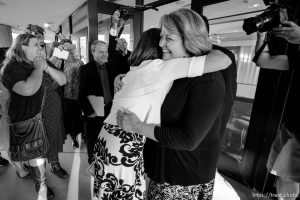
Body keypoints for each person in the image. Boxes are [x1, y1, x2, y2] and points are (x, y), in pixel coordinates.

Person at [93, 9, 231, 200]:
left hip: (183, 178)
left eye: (168, 38)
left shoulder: (206, 79)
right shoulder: (169, 69)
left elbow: (188, 139)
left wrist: (138, 126)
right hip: (156, 167)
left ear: (189, 38)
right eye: (160, 37)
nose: (160, 44)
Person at [1, 33, 54, 199]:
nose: (40, 48)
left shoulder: (29, 64)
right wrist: (39, 67)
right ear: (22, 47)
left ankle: (40, 186)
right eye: (36, 44)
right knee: (34, 159)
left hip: (34, 118)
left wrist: (44, 66)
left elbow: (54, 83)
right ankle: (41, 190)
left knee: (36, 158)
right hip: (21, 122)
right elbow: (28, 89)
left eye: (41, 45)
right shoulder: (11, 66)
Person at [255, 20, 300, 200]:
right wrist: (261, 36)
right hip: (290, 126)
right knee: (281, 178)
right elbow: (263, 61)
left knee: (288, 181)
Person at [78, 40, 114, 165]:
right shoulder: (85, 69)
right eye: (100, 52)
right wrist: (89, 112)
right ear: (93, 52)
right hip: (94, 110)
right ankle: (93, 162)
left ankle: (105, 159)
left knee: (107, 136)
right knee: (93, 138)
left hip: (110, 108)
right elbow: (80, 94)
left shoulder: (110, 66)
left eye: (106, 51)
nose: (105, 54)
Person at [59, 39, 84, 149]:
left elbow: (83, 78)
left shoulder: (79, 62)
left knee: (77, 118)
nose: (68, 50)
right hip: (65, 95)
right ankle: (69, 134)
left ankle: (75, 137)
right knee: (67, 117)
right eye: (65, 47)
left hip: (78, 95)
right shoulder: (60, 62)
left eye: (69, 47)